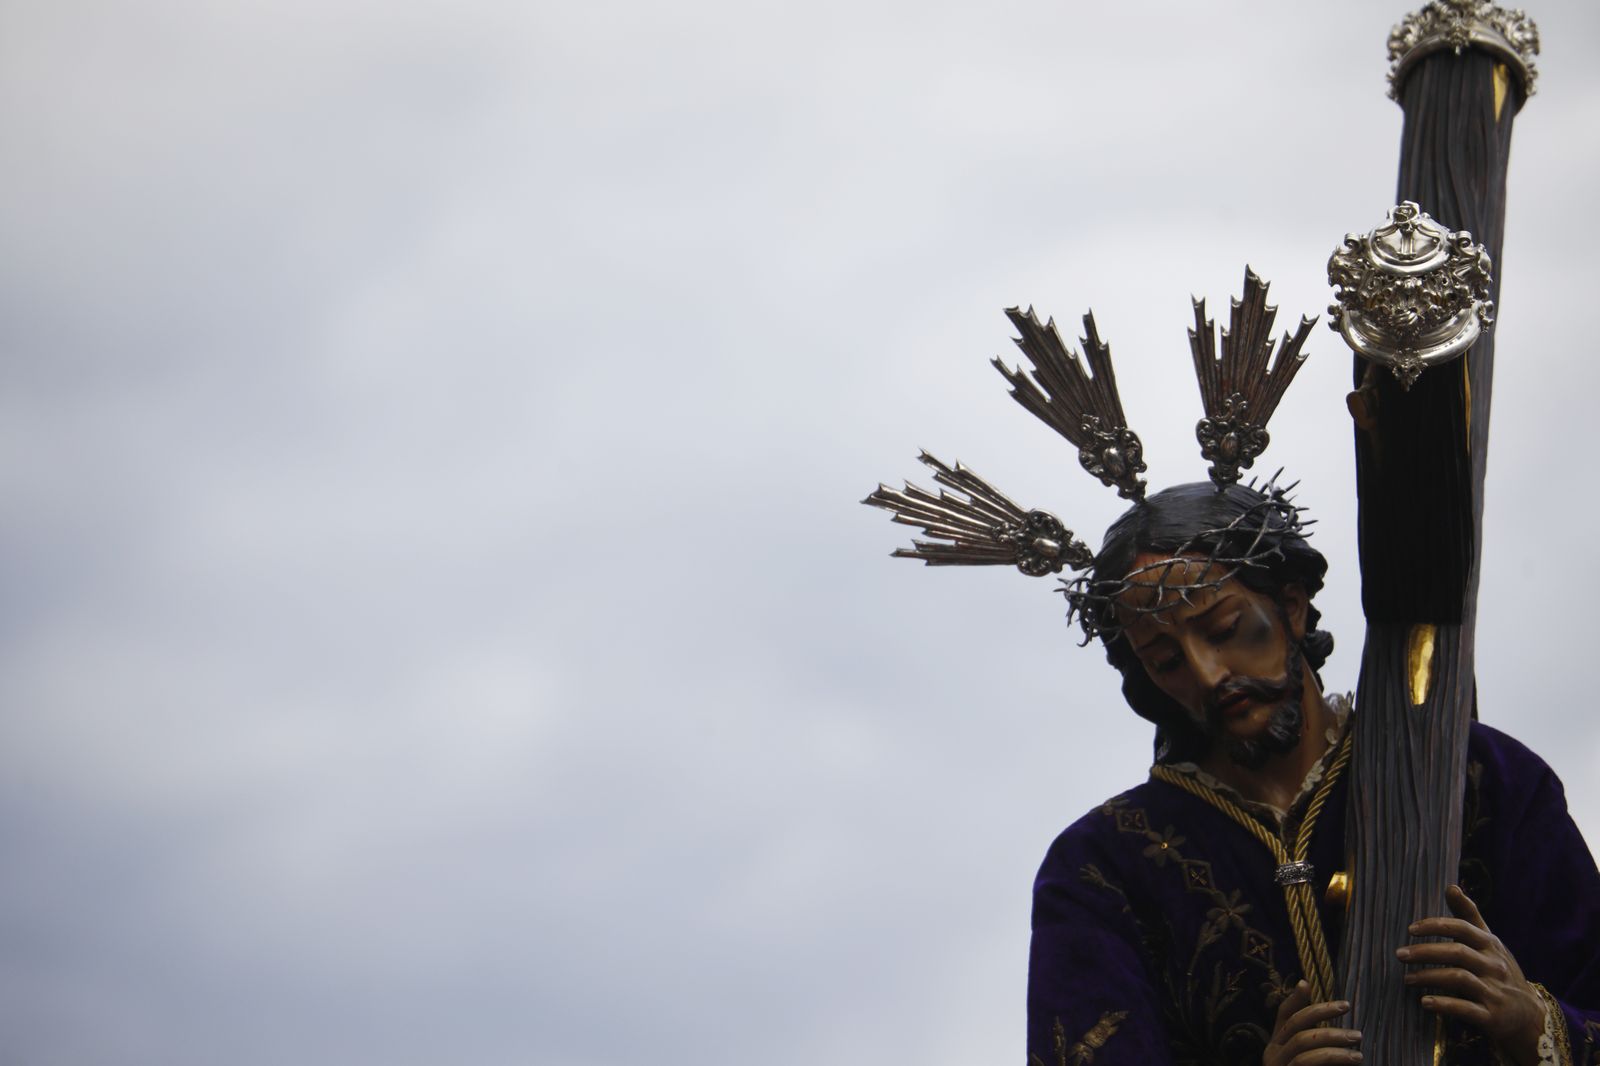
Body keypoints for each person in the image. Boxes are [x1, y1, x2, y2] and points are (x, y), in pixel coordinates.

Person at [1026, 482, 1600, 1066]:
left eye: (1224, 630)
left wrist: (1536, 1025)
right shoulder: (1102, 866)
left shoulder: (1483, 778)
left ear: (1292, 604)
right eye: (1167, 661)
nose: (1206, 674)